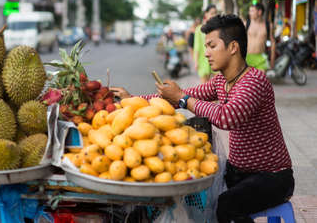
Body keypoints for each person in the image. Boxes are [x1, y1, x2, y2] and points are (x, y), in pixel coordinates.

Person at [111, 14, 294, 223]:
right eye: (206, 46)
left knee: (226, 206)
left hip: (272, 177)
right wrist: (131, 99)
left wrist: (183, 98)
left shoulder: (254, 81)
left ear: (233, 47)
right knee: (189, 187)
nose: (206, 53)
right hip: (237, 173)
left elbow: (226, 117)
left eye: (212, 46)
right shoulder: (221, 82)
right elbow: (179, 96)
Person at [194, 5, 217, 83]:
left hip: (216, 59)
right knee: (204, 86)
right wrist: (196, 62)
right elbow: (197, 47)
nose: (214, 15)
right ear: (206, 14)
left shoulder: (218, 29)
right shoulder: (199, 29)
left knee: (217, 85)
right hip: (203, 60)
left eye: (215, 13)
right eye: (211, 13)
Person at [245, 3, 271, 71]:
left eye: (252, 11)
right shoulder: (247, 23)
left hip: (261, 58)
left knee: (261, 80)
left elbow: (273, 42)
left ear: (259, 12)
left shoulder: (268, 25)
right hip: (248, 57)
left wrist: (272, 61)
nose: (250, 13)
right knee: (248, 81)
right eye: (250, 11)